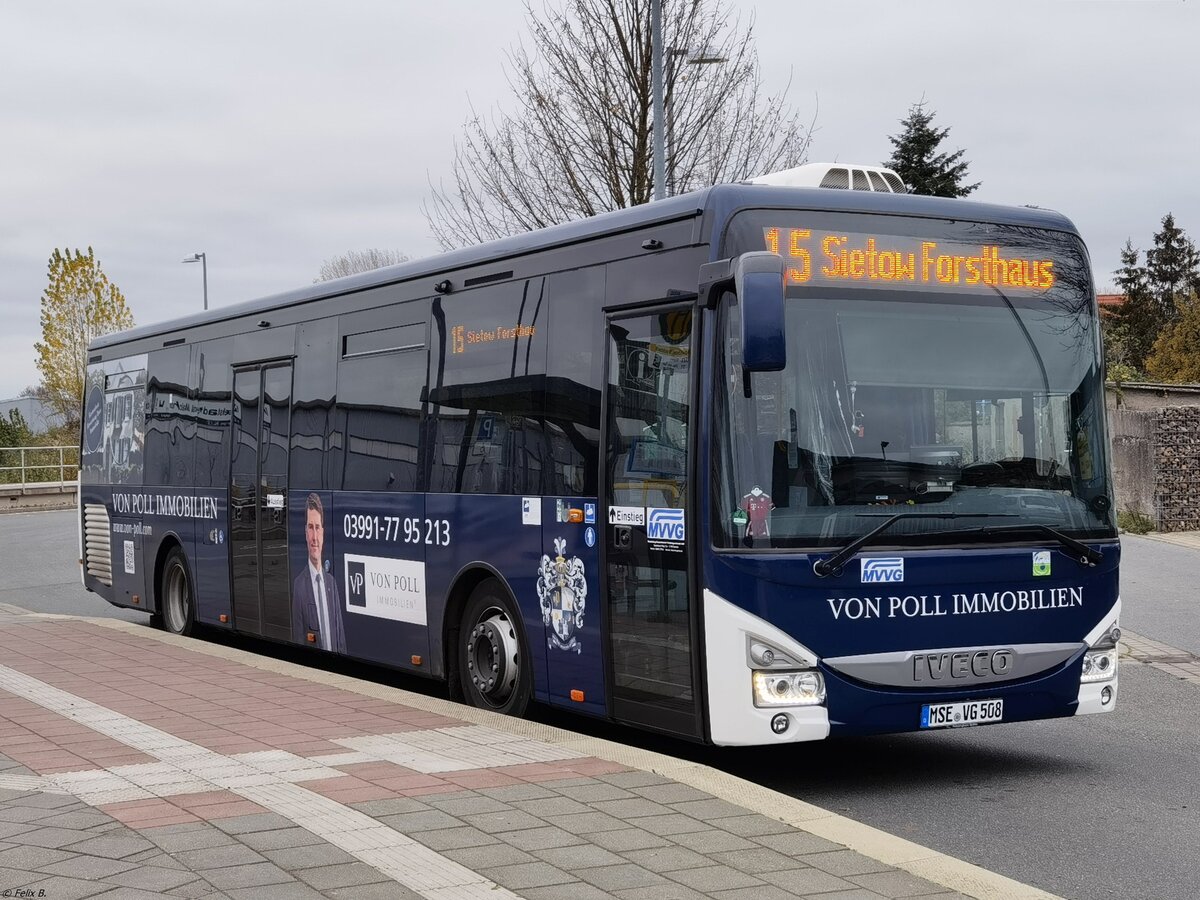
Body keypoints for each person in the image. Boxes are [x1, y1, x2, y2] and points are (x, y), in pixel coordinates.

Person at [292, 493, 345, 652]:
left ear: (323, 532)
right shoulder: (299, 586)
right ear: (305, 532)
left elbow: (341, 640)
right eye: (310, 527)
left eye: (317, 527)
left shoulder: (331, 583)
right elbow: (299, 640)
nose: (314, 537)